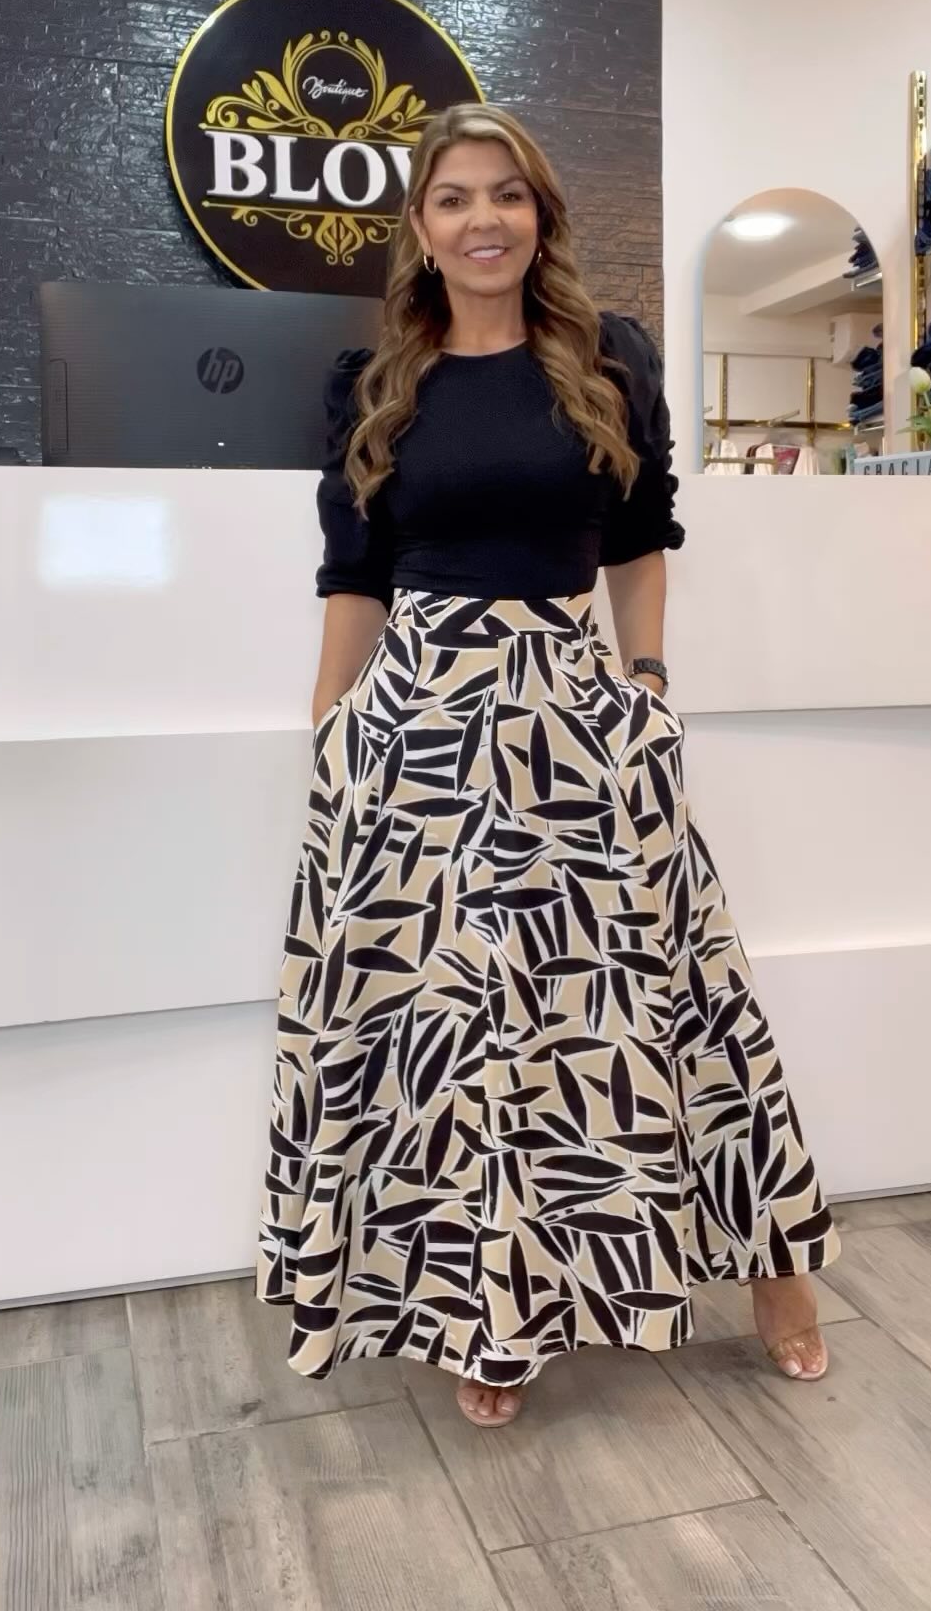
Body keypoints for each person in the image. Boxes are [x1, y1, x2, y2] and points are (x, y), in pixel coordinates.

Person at [257, 104, 839, 1427]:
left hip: (572, 714)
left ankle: (776, 1271)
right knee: (458, 1029)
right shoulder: (376, 380)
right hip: (415, 732)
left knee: (671, 993)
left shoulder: (608, 357)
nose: (484, 220)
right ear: (421, 227)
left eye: (506, 194)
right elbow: (354, 575)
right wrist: (330, 729)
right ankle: (491, 1311)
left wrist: (649, 686)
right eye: (455, 198)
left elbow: (641, 539)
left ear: (541, 215)